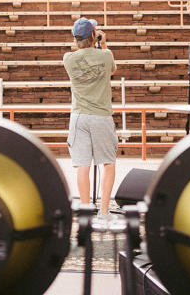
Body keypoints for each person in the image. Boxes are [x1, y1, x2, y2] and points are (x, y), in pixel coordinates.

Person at [63, 17, 117, 227]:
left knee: (82, 166)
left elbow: (78, 51)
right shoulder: (106, 55)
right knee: (108, 163)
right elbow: (112, 70)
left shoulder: (68, 58)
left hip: (79, 116)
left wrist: (87, 42)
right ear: (93, 35)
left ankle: (85, 211)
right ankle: (103, 212)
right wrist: (102, 43)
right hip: (101, 115)